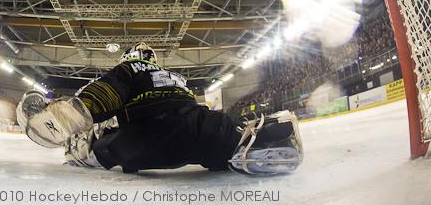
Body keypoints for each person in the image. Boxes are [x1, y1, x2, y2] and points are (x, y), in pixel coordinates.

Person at [17, 43, 303, 175]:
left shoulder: (131, 67)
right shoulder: (177, 78)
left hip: (146, 140)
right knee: (221, 131)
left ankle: (80, 148)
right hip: (194, 130)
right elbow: (191, 108)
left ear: (131, 57)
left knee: (107, 143)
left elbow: (109, 91)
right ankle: (250, 145)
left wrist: (71, 114)